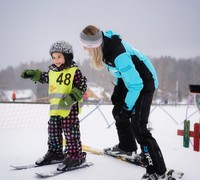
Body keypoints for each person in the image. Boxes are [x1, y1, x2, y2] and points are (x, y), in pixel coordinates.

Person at [80, 25, 167, 179]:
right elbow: (121, 73)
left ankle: (158, 170)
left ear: (94, 45)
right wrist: (119, 91)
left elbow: (137, 84)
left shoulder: (117, 54)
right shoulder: (106, 48)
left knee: (138, 126)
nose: (84, 49)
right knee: (118, 112)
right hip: (132, 83)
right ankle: (127, 147)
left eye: (86, 46)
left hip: (145, 83)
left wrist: (127, 108)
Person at [21, 41, 87, 170]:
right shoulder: (52, 71)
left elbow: (82, 86)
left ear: (67, 56)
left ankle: (75, 155)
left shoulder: (74, 71)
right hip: (55, 109)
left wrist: (70, 99)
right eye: (53, 57)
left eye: (59, 57)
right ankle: (55, 152)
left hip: (69, 108)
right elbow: (44, 76)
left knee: (70, 133)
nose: (56, 60)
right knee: (53, 132)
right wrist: (33, 74)